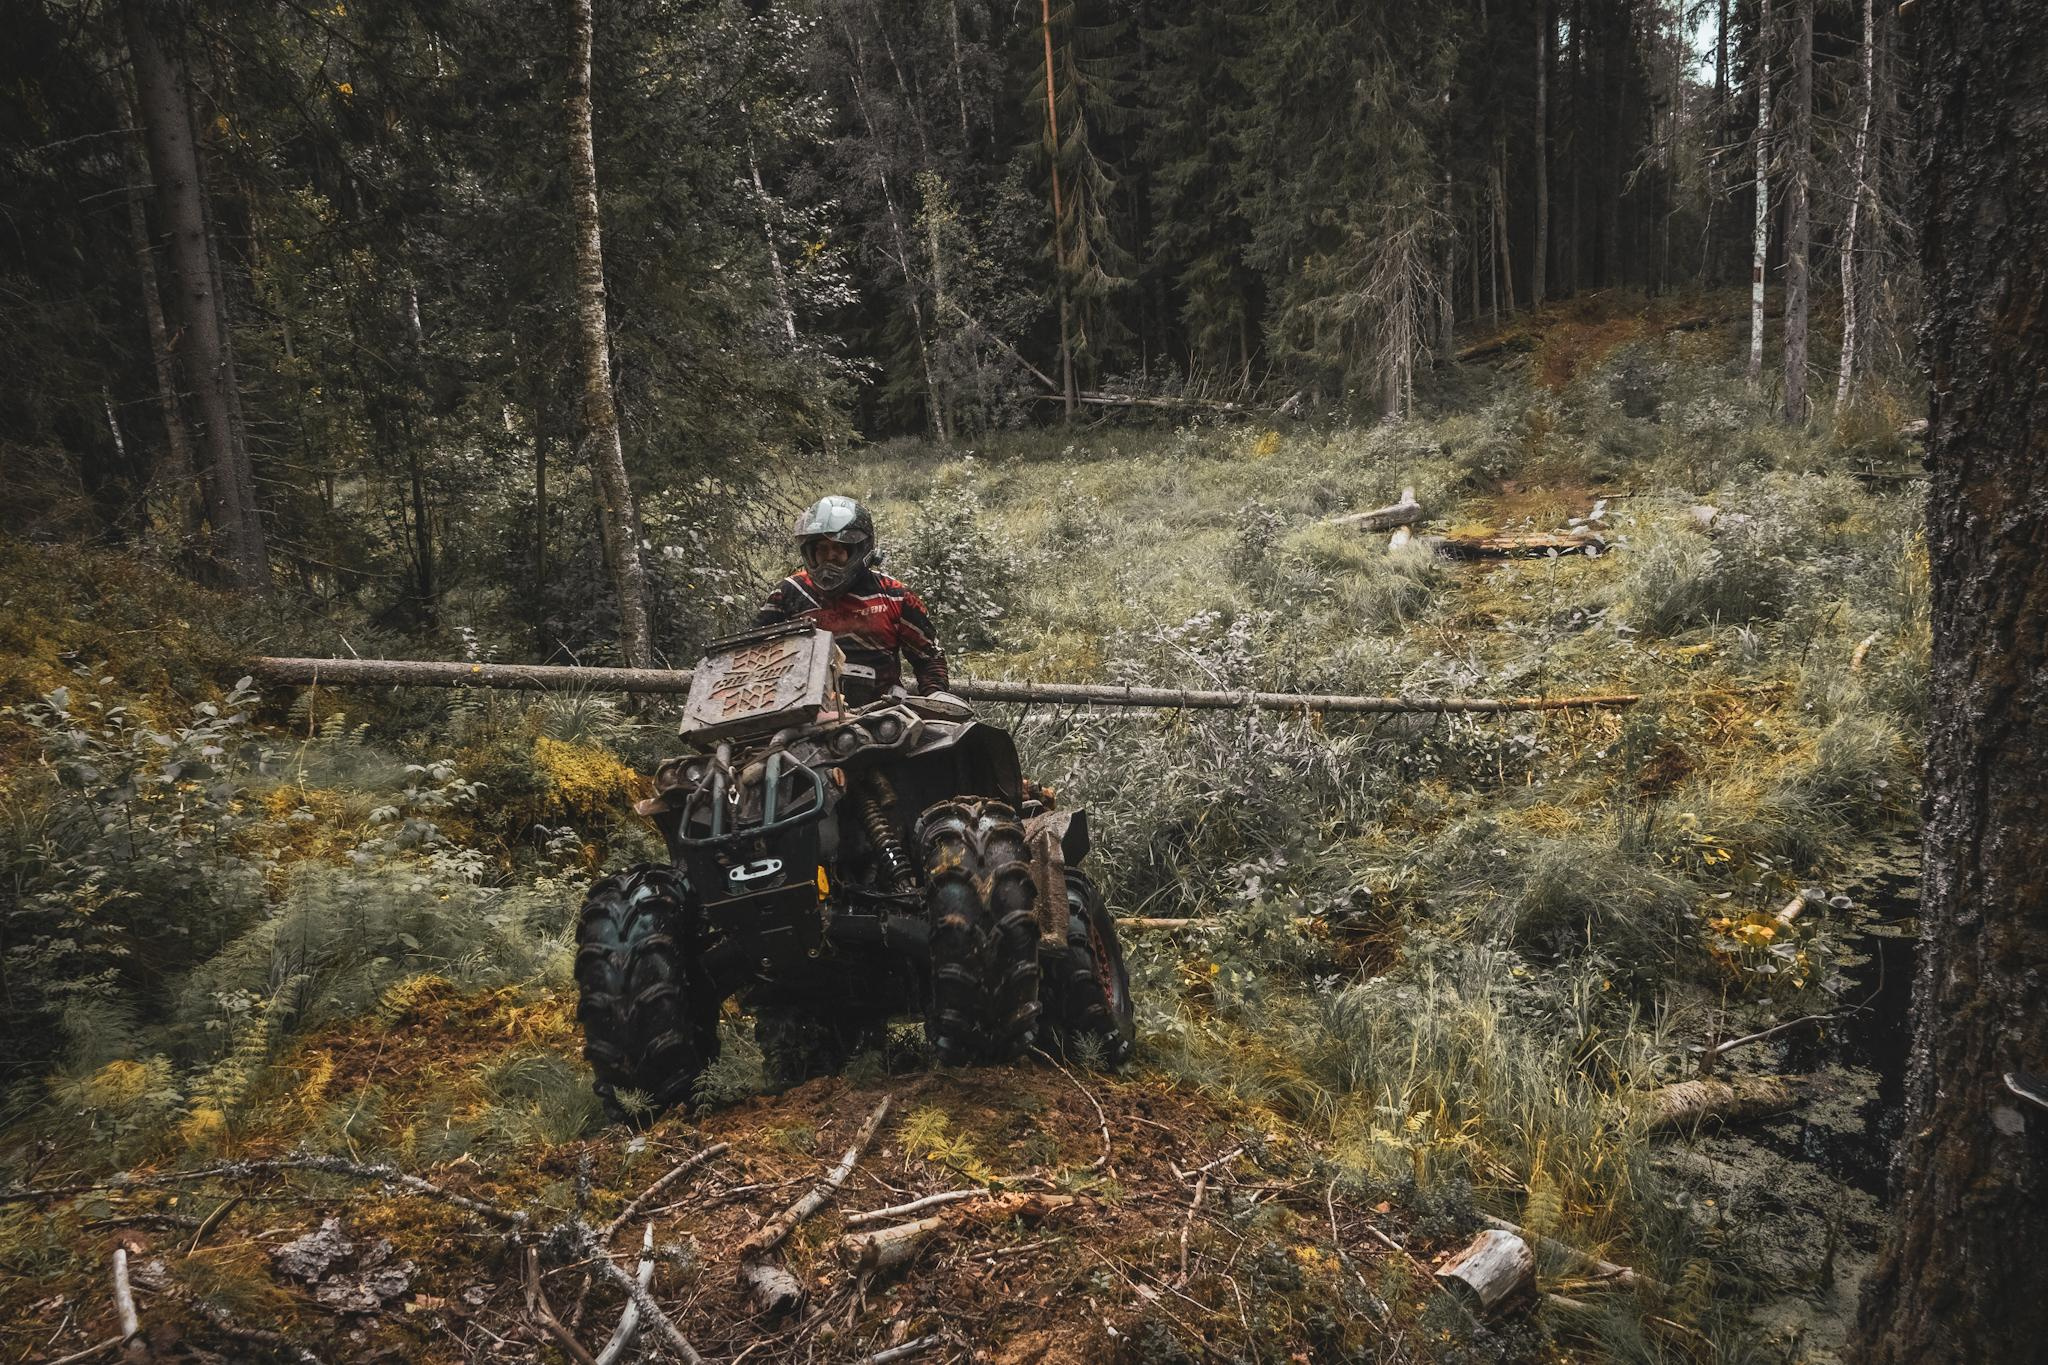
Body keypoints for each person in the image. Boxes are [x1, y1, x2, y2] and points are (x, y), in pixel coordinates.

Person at [754, 495, 949, 705]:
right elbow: (754, 653)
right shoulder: (789, 592)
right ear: (809, 552)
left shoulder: (895, 594)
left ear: (859, 549)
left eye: (839, 548)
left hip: (881, 714)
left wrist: (934, 697)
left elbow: (928, 657)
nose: (830, 556)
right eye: (821, 549)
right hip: (802, 710)